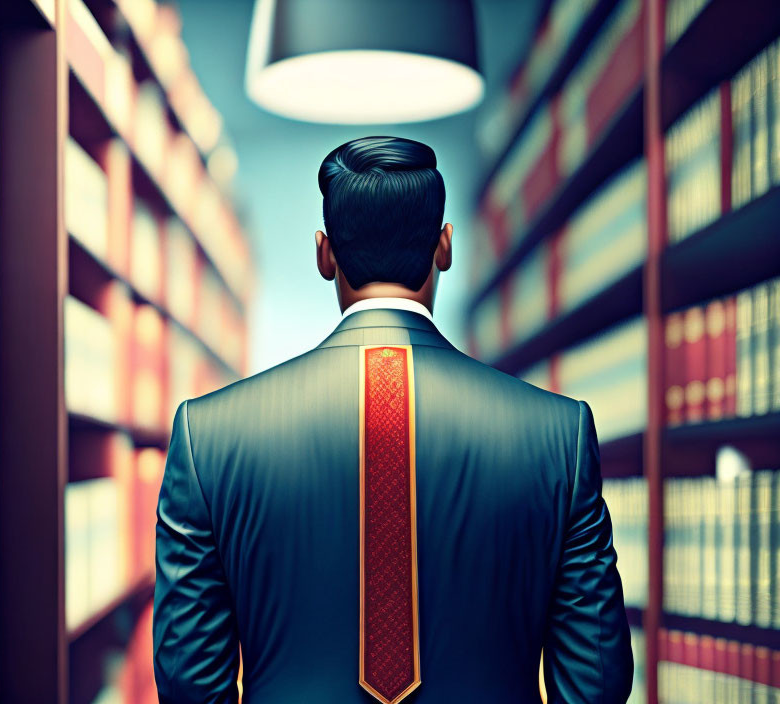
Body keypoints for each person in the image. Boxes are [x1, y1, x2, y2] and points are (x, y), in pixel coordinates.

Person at [153, 136, 634, 703]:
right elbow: (597, 683)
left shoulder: (207, 438)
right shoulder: (560, 437)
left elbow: (189, 686)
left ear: (324, 254)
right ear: (444, 247)